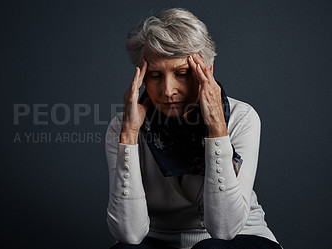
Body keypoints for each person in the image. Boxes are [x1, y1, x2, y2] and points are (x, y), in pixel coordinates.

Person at [105, 8, 282, 249]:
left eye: (182, 73)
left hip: (238, 239)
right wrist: (129, 136)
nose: (168, 90)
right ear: (141, 78)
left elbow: (224, 229)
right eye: (155, 75)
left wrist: (217, 128)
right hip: (159, 241)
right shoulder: (122, 127)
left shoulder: (242, 118)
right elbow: (129, 234)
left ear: (207, 70)